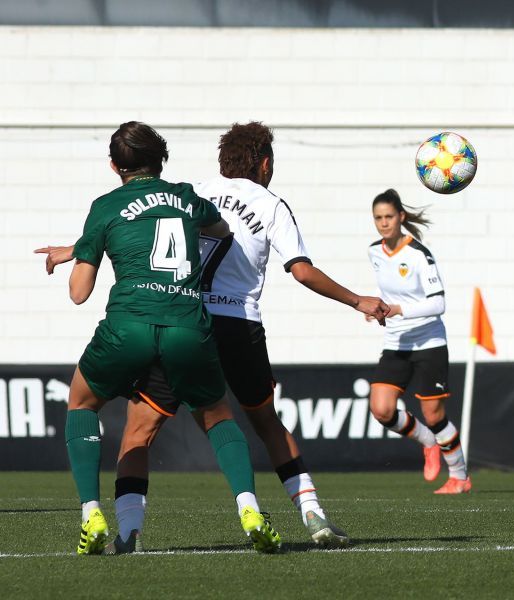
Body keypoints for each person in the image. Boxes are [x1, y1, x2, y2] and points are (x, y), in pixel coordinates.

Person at [91, 121, 388, 553]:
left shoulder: (189, 191)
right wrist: (356, 299)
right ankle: (312, 514)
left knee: (140, 430)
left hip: (184, 320)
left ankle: (129, 531)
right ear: (265, 163)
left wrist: (76, 249)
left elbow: (132, 228)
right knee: (266, 422)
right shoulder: (271, 204)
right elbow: (301, 270)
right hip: (239, 325)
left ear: (222, 162)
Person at [35, 121, 281, 554]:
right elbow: (220, 230)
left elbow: (79, 294)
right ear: (161, 158)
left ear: (114, 166)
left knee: (82, 401)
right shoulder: (187, 197)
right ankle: (249, 508)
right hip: (188, 326)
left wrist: (84, 249)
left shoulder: (105, 206)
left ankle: (91, 513)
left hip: (128, 325)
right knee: (218, 418)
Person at [366, 189, 471, 494]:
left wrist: (399, 309)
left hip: (429, 342)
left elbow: (438, 304)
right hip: (396, 341)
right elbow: (389, 293)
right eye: (378, 218)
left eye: (388, 216)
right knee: (382, 410)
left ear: (401, 217)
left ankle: (460, 477)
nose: (383, 223)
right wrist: (378, 309)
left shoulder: (419, 255)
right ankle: (428, 442)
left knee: (434, 414)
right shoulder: (374, 252)